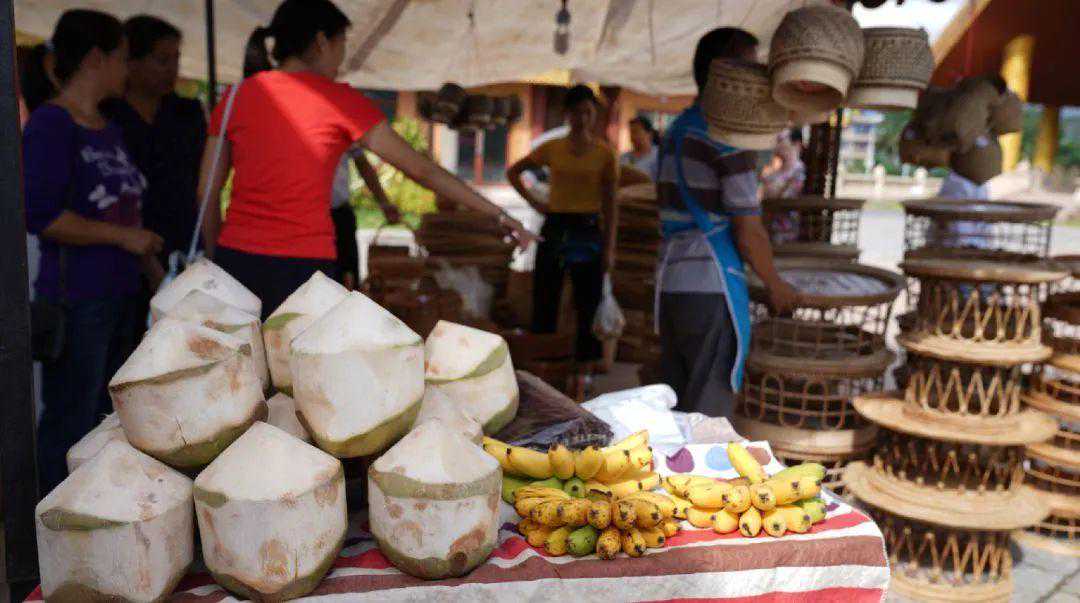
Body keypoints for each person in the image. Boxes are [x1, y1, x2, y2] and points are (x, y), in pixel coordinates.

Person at [200, 0, 536, 318]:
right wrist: (499, 215)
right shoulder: (339, 100)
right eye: (341, 46)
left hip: (236, 260)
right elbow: (421, 170)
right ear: (321, 41)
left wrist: (218, 258)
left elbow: (207, 193)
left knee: (237, 371)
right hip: (302, 266)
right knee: (298, 375)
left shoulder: (235, 97)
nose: (340, 60)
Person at [22, 9, 163, 494]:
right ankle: (53, 523)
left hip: (122, 296)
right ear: (96, 59)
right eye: (123, 58)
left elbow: (128, 214)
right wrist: (124, 239)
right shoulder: (50, 125)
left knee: (111, 423)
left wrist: (151, 267)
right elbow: (42, 216)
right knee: (71, 421)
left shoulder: (108, 126)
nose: (128, 70)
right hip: (78, 301)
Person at [655, 28, 797, 417]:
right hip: (708, 288)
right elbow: (748, 231)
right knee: (706, 416)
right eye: (750, 67)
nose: (757, 78)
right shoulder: (726, 139)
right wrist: (775, 283)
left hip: (672, 286)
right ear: (725, 73)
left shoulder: (680, 130)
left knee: (677, 408)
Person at [507, 85, 619, 368]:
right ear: (566, 114)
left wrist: (609, 248)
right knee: (546, 293)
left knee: (587, 299)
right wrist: (534, 203)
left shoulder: (605, 154)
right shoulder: (552, 148)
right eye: (576, 112)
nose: (582, 118)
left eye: (587, 112)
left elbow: (611, 205)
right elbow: (514, 172)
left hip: (589, 228)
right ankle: (542, 360)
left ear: (594, 115)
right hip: (556, 224)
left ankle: (584, 368)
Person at [102, 15, 206, 308]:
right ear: (130, 62)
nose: (172, 69)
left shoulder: (188, 113)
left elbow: (201, 178)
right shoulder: (107, 114)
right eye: (161, 60)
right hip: (124, 244)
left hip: (183, 237)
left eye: (176, 59)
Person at [329, 150, 399, 289]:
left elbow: (362, 163)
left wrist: (385, 203)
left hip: (339, 214)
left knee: (347, 280)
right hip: (306, 217)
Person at [760, 128, 807, 245]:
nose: (776, 144)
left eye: (780, 139)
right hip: (767, 230)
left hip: (785, 233)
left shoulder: (799, 172)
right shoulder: (773, 172)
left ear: (796, 144)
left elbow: (783, 197)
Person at [621, 115, 660, 179]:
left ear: (649, 134)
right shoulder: (623, 158)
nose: (632, 137)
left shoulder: (659, 158)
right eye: (631, 132)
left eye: (636, 132)